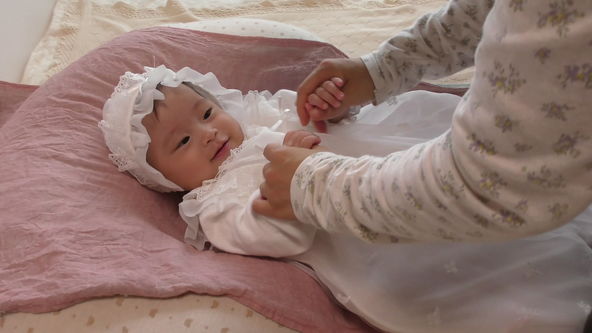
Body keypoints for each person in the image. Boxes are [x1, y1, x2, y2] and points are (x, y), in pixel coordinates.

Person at [100, 65, 591, 332]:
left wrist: (322, 110)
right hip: (376, 240)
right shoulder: (214, 206)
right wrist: (294, 175)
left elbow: (310, 115)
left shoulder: (253, 116)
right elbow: (283, 235)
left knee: (492, 164)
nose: (207, 133)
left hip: (397, 161)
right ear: (165, 180)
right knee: (504, 268)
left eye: (206, 112)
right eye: (182, 142)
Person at [253, 0, 592, 244]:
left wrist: (316, 188)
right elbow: (497, 11)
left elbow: (488, 187)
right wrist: (384, 68)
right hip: (407, 190)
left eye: (208, 112)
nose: (208, 133)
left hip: (434, 194)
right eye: (194, 137)